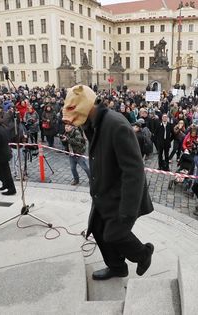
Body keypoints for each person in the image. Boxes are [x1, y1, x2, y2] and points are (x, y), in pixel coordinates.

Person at [62, 85, 154, 281]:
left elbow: (134, 171)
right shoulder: (93, 123)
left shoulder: (116, 125)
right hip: (103, 192)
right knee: (97, 229)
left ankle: (143, 253)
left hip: (120, 196)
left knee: (114, 234)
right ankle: (117, 267)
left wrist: (128, 210)